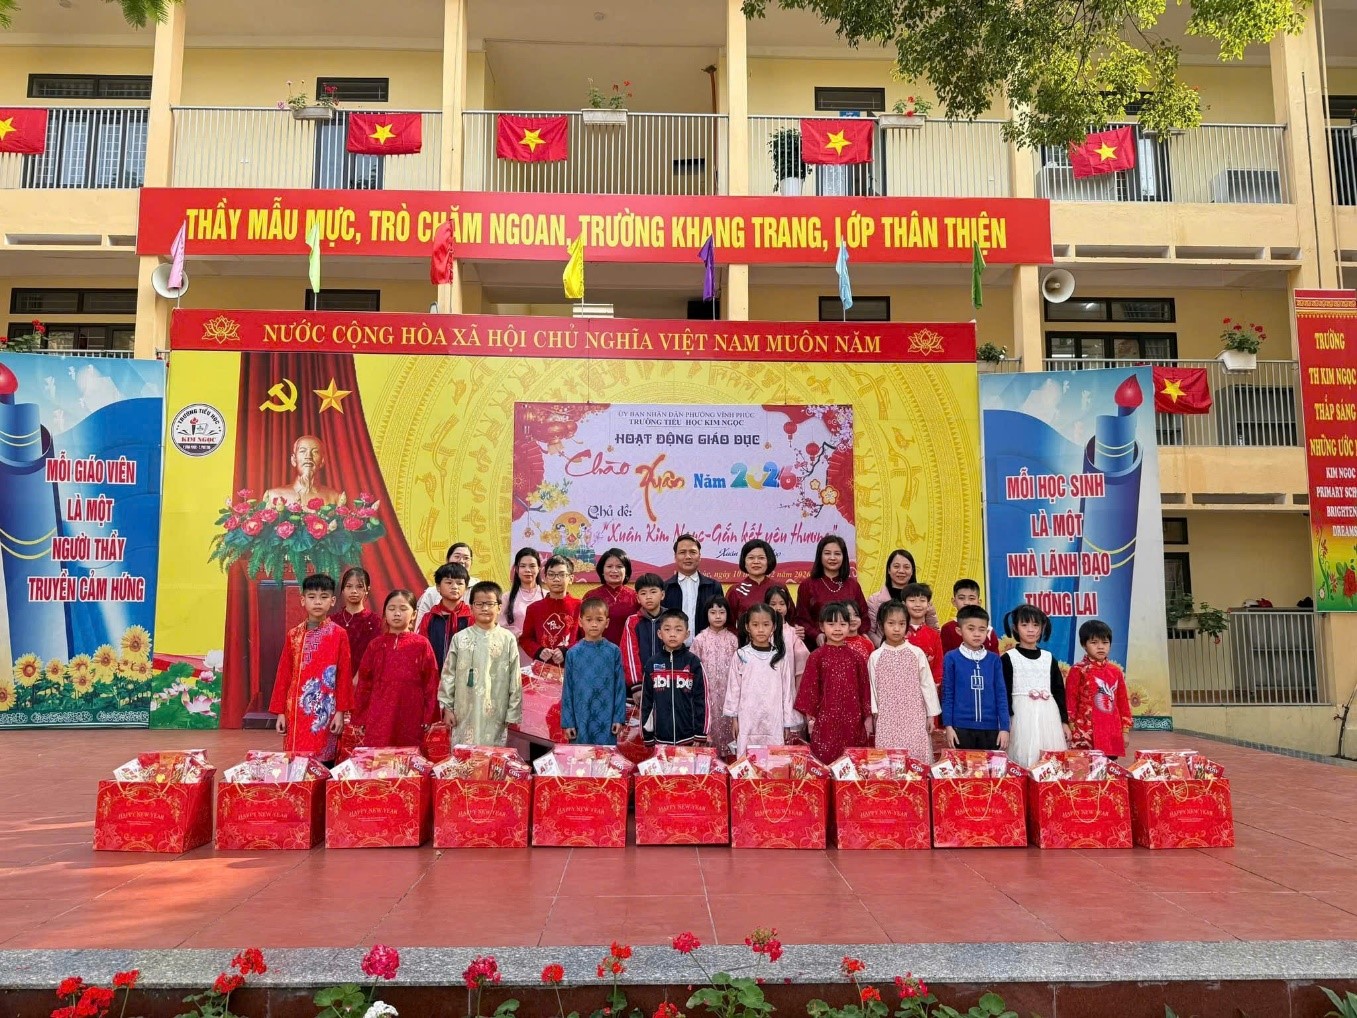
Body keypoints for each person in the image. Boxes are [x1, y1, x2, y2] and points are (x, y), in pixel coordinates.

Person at [268, 573, 351, 761]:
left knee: (324, 761)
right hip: (295, 712)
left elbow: (344, 675)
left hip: (326, 710)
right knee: (296, 762)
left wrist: (340, 712)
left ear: (332, 601)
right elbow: (284, 674)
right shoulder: (293, 635)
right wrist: (281, 712)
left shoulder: (339, 634)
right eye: (312, 597)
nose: (318, 602)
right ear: (303, 600)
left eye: (324, 597)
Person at [353, 590, 441, 748]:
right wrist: (361, 716)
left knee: (409, 756)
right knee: (379, 756)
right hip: (379, 713)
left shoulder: (421, 644)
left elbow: (431, 682)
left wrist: (429, 716)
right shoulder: (375, 645)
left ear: (414, 615)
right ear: (385, 614)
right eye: (391, 609)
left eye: (403, 608)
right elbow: (364, 683)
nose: (397, 613)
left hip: (412, 712)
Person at [439, 581, 522, 746]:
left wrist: (512, 712)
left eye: (490, 604)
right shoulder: (460, 638)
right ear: (471, 608)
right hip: (463, 710)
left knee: (492, 754)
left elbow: (515, 678)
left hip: (496, 710)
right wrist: (447, 707)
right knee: (464, 753)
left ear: (499, 607)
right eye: (479, 604)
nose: (485, 608)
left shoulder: (507, 639)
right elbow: (448, 675)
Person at [794, 602, 873, 763]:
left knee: (852, 763)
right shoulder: (816, 657)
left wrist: (867, 718)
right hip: (825, 721)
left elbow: (865, 690)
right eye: (831, 624)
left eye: (842, 624)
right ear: (821, 627)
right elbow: (809, 689)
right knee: (825, 763)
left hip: (853, 720)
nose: (837, 629)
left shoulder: (857, 658)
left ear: (849, 626)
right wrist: (811, 719)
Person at [869, 600, 940, 762]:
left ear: (907, 625)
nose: (896, 628)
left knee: (917, 757)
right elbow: (873, 688)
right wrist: (875, 715)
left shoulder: (916, 653)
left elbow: (927, 685)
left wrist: (931, 715)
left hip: (915, 716)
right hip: (887, 718)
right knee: (888, 760)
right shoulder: (875, 657)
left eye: (901, 624)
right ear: (881, 625)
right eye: (891, 623)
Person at [725, 603, 800, 756]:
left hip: (774, 719)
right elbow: (734, 689)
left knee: (773, 760)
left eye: (766, 624)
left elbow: (787, 692)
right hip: (748, 718)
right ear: (747, 627)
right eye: (755, 625)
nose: (760, 629)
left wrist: (787, 723)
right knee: (747, 759)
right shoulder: (741, 655)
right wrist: (734, 718)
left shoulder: (779, 657)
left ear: (773, 627)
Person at [1002, 604, 1070, 768]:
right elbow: (1003, 692)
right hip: (1019, 718)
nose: (1031, 630)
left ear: (1042, 627)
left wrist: (1064, 722)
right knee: (1022, 757)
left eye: (1035, 625)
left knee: (1049, 762)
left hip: (1049, 717)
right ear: (1015, 628)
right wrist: (1005, 722)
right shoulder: (1008, 658)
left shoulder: (1049, 658)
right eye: (1024, 625)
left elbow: (1058, 691)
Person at [941, 604, 1010, 751]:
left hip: (991, 728)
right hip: (960, 728)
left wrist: (1004, 728)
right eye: (971, 629)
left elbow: (1001, 695)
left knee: (989, 766)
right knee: (963, 765)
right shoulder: (951, 658)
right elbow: (947, 694)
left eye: (982, 629)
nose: (977, 634)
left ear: (987, 631)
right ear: (959, 631)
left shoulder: (994, 660)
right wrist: (948, 726)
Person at [561, 597, 628, 746]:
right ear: (580, 622)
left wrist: (618, 718)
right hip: (580, 715)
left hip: (606, 717)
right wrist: (568, 722)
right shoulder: (573, 653)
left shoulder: (613, 651)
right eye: (589, 619)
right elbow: (567, 689)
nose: (594, 624)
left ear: (607, 622)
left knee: (605, 757)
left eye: (599, 620)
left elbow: (619, 687)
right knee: (580, 756)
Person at [1065, 619, 1133, 760]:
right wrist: (1071, 727)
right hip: (1084, 732)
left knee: (1109, 769)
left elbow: (1122, 703)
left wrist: (1125, 731)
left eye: (1105, 642)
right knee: (1083, 769)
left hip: (1111, 731)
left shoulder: (1116, 672)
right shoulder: (1077, 670)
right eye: (1094, 642)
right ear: (1084, 644)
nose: (1100, 647)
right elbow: (1070, 700)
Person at [640, 609, 706, 746]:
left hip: (689, 738)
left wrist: (700, 734)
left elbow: (702, 699)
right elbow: (646, 702)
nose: (672, 634)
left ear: (687, 634)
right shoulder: (652, 664)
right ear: (659, 634)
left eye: (678, 630)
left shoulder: (694, 663)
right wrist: (648, 735)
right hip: (660, 738)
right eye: (667, 629)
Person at [796, 534, 869, 650]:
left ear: (844, 557)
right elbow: (802, 619)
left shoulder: (853, 585)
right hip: (819, 647)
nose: (832, 558)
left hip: (851, 647)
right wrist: (816, 635)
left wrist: (861, 635)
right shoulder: (807, 585)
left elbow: (863, 615)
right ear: (820, 556)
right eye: (827, 553)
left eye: (837, 554)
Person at [518, 556, 581, 675]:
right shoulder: (534, 608)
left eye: (561, 575)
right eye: (551, 575)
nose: (556, 579)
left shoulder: (580, 606)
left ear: (571, 578)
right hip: (541, 671)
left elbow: (587, 638)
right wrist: (539, 651)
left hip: (572, 670)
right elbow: (525, 639)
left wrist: (566, 651)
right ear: (545, 578)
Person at [692, 596, 738, 757]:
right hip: (707, 694)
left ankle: (728, 760)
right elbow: (694, 670)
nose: (717, 616)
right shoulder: (699, 640)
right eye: (713, 612)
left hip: (728, 694)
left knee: (729, 729)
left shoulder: (733, 640)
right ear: (706, 614)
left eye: (721, 612)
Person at [867, 549, 938, 644]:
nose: (901, 571)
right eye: (896, 566)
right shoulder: (875, 600)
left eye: (906, 567)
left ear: (912, 571)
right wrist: (886, 647)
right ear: (888, 570)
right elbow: (870, 632)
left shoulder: (923, 598)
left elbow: (934, 630)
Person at [662, 533, 723, 642]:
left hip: (706, 648)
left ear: (699, 557)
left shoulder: (713, 586)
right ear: (675, 557)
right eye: (682, 552)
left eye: (693, 552)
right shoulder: (665, 588)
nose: (688, 557)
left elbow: (721, 620)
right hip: (673, 648)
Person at [262, 434, 345, 507]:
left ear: (322, 461)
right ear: (293, 460)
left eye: (315, 452)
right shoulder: (273, 496)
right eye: (302, 451)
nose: (308, 456)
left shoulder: (335, 497)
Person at [418, 563, 473, 671]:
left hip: (464, 676)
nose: (455, 587)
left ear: (466, 588)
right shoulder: (429, 618)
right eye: (449, 582)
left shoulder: (471, 617)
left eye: (459, 583)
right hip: (434, 675)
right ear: (438, 587)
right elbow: (423, 650)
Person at [331, 566, 381, 679]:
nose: (354, 591)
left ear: (367, 589)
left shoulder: (374, 621)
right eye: (349, 586)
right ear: (343, 590)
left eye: (359, 587)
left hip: (364, 681)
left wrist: (357, 679)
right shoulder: (333, 621)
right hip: (334, 680)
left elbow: (373, 655)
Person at [582, 547, 638, 646]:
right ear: (602, 571)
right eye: (609, 566)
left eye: (619, 566)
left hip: (628, 650)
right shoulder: (591, 596)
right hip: (596, 650)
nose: (614, 570)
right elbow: (582, 628)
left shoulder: (635, 597)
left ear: (626, 571)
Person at [500, 546, 546, 666]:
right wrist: (520, 634)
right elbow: (500, 626)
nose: (527, 570)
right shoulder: (507, 598)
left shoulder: (547, 596)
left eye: (532, 566)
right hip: (515, 652)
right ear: (516, 569)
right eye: (523, 566)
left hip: (542, 654)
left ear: (539, 568)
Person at [621, 572, 667, 692]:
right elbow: (630, 655)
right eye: (643, 593)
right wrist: (636, 685)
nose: (648, 597)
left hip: (668, 682)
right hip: (642, 685)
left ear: (662, 595)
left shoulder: (671, 619)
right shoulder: (632, 621)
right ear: (638, 598)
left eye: (653, 592)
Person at [415, 542, 478, 627]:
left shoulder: (479, 589)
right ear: (447, 559)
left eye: (466, 558)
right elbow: (420, 625)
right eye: (457, 556)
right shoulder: (431, 593)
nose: (461, 561)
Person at [763, 585, 810, 690]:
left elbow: (802, 660)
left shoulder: (794, 632)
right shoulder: (762, 633)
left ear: (788, 605)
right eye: (773, 604)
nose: (778, 608)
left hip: (789, 683)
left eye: (782, 604)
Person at [900, 582, 944, 687]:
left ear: (928, 605)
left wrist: (935, 686)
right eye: (912, 600)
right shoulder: (898, 632)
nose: (918, 605)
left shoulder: (934, 635)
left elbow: (938, 667)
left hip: (928, 689)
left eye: (922, 600)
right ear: (904, 604)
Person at [725, 539, 778, 625]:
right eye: (751, 558)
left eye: (761, 558)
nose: (756, 562)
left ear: (769, 561)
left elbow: (790, 620)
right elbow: (728, 624)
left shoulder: (779, 587)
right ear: (744, 562)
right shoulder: (735, 591)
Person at [940, 579, 1000, 655]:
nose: (966, 602)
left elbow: (995, 658)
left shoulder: (988, 630)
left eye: (971, 598)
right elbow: (946, 657)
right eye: (961, 598)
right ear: (954, 601)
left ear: (979, 602)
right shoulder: (947, 628)